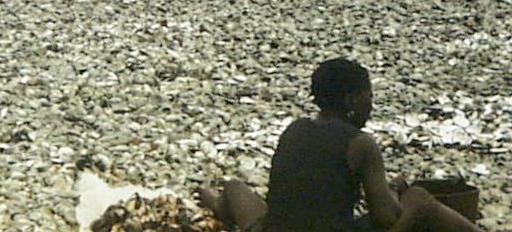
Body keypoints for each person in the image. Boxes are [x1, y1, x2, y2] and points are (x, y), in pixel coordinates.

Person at [198, 58, 483, 232]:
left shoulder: (294, 129)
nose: (371, 105)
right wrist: (396, 191)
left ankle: (217, 205)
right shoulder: (361, 144)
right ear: (351, 101)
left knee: (236, 187)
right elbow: (386, 217)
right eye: (368, 97)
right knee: (420, 199)